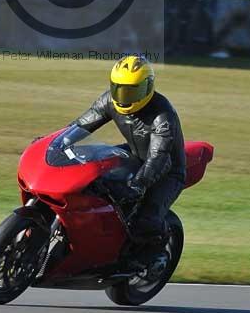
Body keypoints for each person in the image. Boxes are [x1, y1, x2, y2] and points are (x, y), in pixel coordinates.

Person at [69, 55, 186, 238]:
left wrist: (137, 185)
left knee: (144, 222)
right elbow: (81, 125)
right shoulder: (109, 101)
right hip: (134, 154)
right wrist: (56, 141)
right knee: (90, 179)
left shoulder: (162, 115)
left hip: (167, 170)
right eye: (119, 89)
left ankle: (160, 244)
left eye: (131, 91)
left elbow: (158, 157)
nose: (123, 97)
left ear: (147, 87)